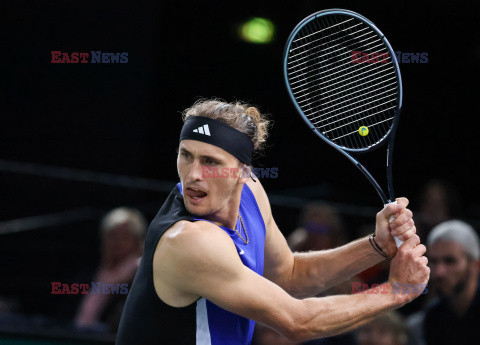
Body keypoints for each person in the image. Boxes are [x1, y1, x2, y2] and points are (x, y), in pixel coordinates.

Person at [116, 99, 429, 345]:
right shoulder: (188, 240)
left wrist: (375, 247)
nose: (193, 175)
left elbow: (288, 276)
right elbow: (297, 322)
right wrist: (397, 291)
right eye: (186, 155)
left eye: (210, 161)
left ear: (243, 171)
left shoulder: (252, 193)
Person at [75, 207, 146, 333]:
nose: (117, 242)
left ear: (137, 240)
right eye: (113, 235)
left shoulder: (140, 272)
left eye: (125, 236)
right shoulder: (95, 270)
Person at [421, 219, 479, 345]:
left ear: (475, 265)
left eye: (450, 261)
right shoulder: (434, 316)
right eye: (434, 261)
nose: (438, 272)